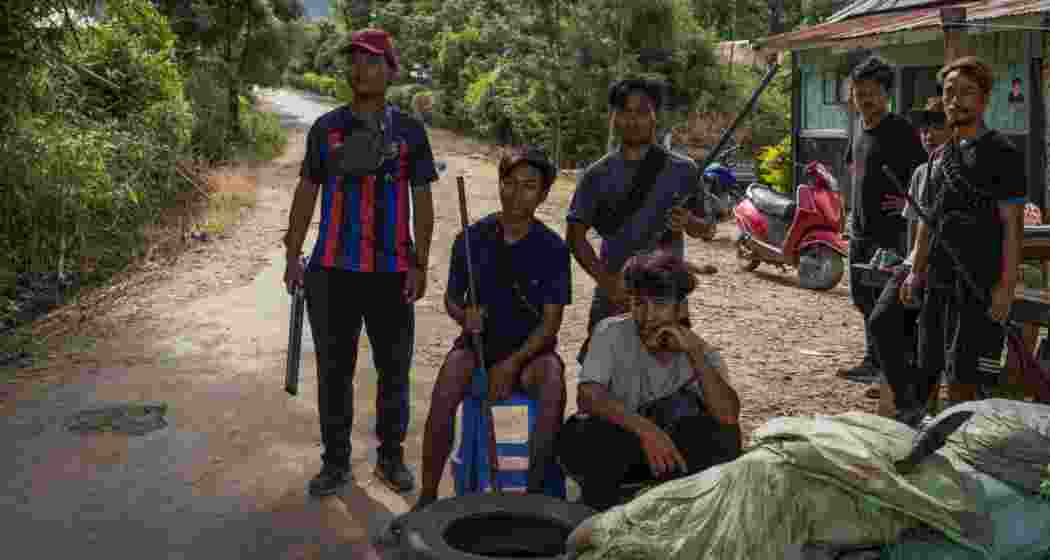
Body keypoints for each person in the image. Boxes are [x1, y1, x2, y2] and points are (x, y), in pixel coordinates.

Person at [282, 28, 439, 497]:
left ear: (391, 71)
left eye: (372, 61)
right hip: (331, 272)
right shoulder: (325, 129)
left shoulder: (409, 132)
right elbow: (306, 192)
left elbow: (423, 201)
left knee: (394, 372)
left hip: (392, 274)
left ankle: (391, 457)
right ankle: (335, 462)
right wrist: (292, 254)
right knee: (334, 373)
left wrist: (420, 263)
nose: (361, 70)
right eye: (355, 60)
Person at [413, 147, 571, 510]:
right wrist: (463, 315)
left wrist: (512, 364)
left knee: (552, 379)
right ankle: (428, 495)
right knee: (448, 379)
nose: (517, 194)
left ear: (543, 194)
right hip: (477, 350)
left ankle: (534, 497)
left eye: (529, 186)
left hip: (530, 355)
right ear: (499, 184)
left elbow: (550, 324)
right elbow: (451, 299)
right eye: (509, 183)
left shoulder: (553, 248)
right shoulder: (471, 238)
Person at [556, 251, 742, 511]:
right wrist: (647, 431)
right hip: (620, 449)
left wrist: (695, 355)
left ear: (681, 307)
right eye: (639, 304)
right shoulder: (611, 332)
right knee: (584, 433)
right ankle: (599, 514)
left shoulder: (700, 351)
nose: (648, 315)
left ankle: (673, 505)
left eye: (660, 304)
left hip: (668, 459)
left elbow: (728, 416)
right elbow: (587, 396)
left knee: (724, 437)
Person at [898, 56, 1026, 427]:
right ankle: (924, 437)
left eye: (967, 92)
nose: (956, 100)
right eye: (950, 92)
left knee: (964, 376)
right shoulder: (940, 157)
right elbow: (928, 221)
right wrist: (915, 272)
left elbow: (1013, 225)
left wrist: (1006, 286)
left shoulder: (1003, 154)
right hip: (938, 280)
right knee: (926, 365)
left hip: (978, 283)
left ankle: (961, 444)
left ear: (984, 99)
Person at [567, 78, 715, 365]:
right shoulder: (596, 175)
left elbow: (708, 228)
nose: (633, 120)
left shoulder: (684, 170)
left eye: (642, 111)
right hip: (614, 295)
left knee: (666, 374)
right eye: (625, 111)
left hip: (667, 298)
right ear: (613, 117)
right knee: (601, 373)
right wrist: (607, 283)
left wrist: (688, 222)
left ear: (655, 116)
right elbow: (575, 236)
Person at [839, 56, 928, 383]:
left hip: (891, 235)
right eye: (859, 92)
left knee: (888, 305)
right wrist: (847, 213)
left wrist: (907, 201)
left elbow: (924, 174)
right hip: (860, 231)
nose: (865, 99)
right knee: (863, 298)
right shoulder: (859, 131)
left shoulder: (901, 131)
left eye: (872, 93)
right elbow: (854, 171)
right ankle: (872, 360)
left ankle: (893, 368)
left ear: (886, 94)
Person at [866, 97, 950, 418]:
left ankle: (922, 405)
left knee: (930, 346)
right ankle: (907, 402)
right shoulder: (919, 173)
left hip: (944, 268)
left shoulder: (959, 171)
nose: (929, 134)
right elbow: (914, 230)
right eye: (924, 128)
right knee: (881, 322)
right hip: (914, 264)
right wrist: (905, 263)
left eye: (937, 126)